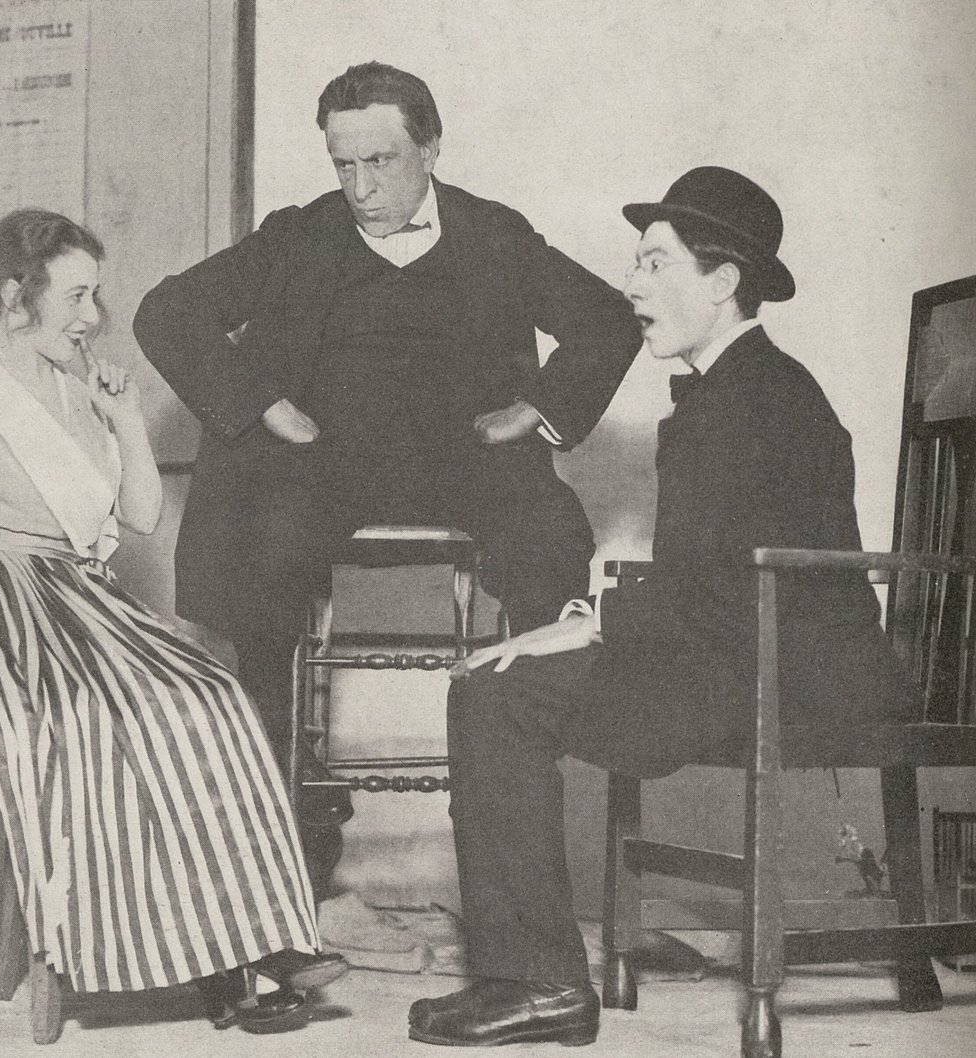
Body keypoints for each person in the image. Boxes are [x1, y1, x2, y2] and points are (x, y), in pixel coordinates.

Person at [406, 167, 918, 1047]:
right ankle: (534, 978)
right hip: (733, 652)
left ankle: (541, 985)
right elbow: (705, 588)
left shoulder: (760, 402)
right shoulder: (730, 393)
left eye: (654, 264)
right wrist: (579, 623)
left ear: (722, 283)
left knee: (503, 691)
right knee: (497, 683)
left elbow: (733, 594)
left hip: (793, 675)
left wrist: (585, 624)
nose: (633, 286)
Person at [132, 62, 641, 874]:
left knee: (549, 534)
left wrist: (535, 411)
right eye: (344, 165)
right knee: (265, 543)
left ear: (431, 149)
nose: (361, 188)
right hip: (328, 461)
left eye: (382, 162)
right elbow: (167, 311)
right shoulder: (299, 236)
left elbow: (608, 318)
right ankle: (278, 816)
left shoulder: (495, 234)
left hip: (464, 460)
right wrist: (263, 402)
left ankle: (509, 808)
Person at [0, 209, 348, 1035]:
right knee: (96, 717)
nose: (92, 318)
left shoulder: (79, 392)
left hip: (81, 602)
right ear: (14, 296)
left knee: (208, 695)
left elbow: (140, 515)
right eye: (75, 297)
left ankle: (246, 946)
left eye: (95, 296)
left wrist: (127, 419)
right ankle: (202, 966)